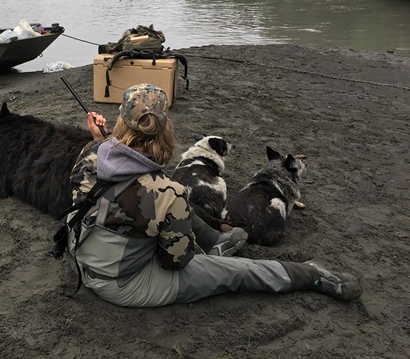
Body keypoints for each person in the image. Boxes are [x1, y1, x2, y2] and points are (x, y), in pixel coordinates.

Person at [64, 83, 363, 307]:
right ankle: (308, 276)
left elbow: (115, 171)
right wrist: (186, 245)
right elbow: (175, 262)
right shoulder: (165, 191)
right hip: (123, 283)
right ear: (165, 130)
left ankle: (216, 239)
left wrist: (102, 139)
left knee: (173, 208)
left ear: (120, 125)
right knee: (233, 272)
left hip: (83, 257)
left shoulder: (91, 152)